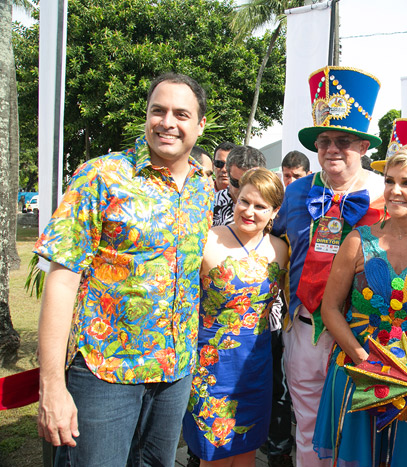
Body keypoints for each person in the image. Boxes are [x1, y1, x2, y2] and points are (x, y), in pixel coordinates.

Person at [34, 73, 213, 465]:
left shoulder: (203, 188)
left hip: (174, 370)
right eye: (158, 110)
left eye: (181, 114)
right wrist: (51, 385)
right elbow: (63, 279)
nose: (168, 122)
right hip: (104, 373)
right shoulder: (100, 176)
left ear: (200, 125)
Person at [272, 65, 386, 467]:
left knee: (359, 433)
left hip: (365, 335)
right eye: (324, 140)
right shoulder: (296, 191)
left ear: (363, 146)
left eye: (343, 141)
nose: (331, 149)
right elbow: (274, 248)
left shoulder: (387, 194)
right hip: (305, 332)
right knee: (306, 428)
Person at [313, 145, 407, 465]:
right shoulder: (356, 241)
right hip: (356, 369)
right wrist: (364, 361)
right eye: (390, 181)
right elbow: (330, 309)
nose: (395, 191)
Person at [183, 168, 288, 467]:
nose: (249, 212)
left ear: (274, 211)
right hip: (211, 366)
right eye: (245, 201)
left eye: (260, 206)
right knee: (212, 453)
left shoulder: (281, 250)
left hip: (257, 365)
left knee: (247, 450)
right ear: (234, 197)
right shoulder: (207, 240)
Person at [212, 145, 266, 227]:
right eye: (236, 183)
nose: (242, 190)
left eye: (249, 184)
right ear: (229, 175)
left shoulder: (270, 206)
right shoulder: (211, 204)